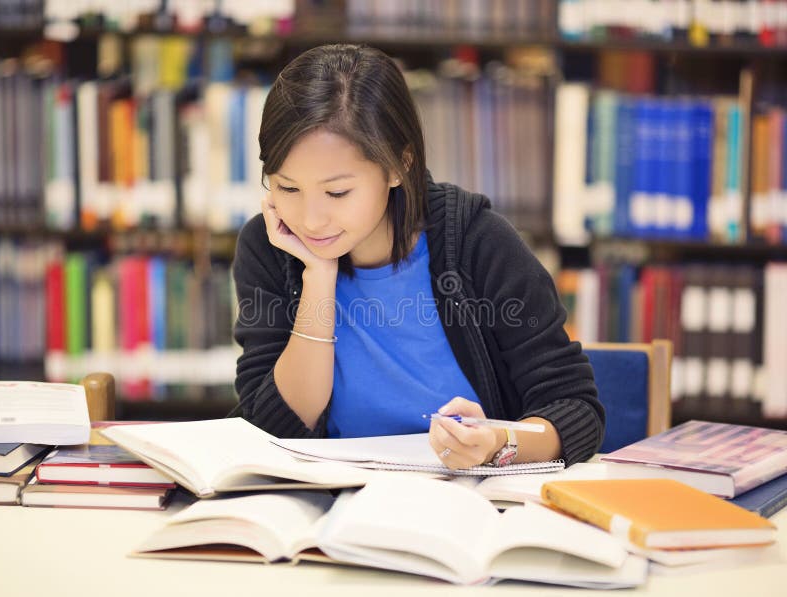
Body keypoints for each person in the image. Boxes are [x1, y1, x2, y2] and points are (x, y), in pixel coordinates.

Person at [231, 44, 604, 470]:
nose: (311, 220)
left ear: (398, 165)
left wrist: (498, 442)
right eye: (287, 188)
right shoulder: (271, 246)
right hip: (330, 504)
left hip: (469, 503)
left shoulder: (477, 242)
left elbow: (576, 410)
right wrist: (317, 276)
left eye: (337, 192)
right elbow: (270, 427)